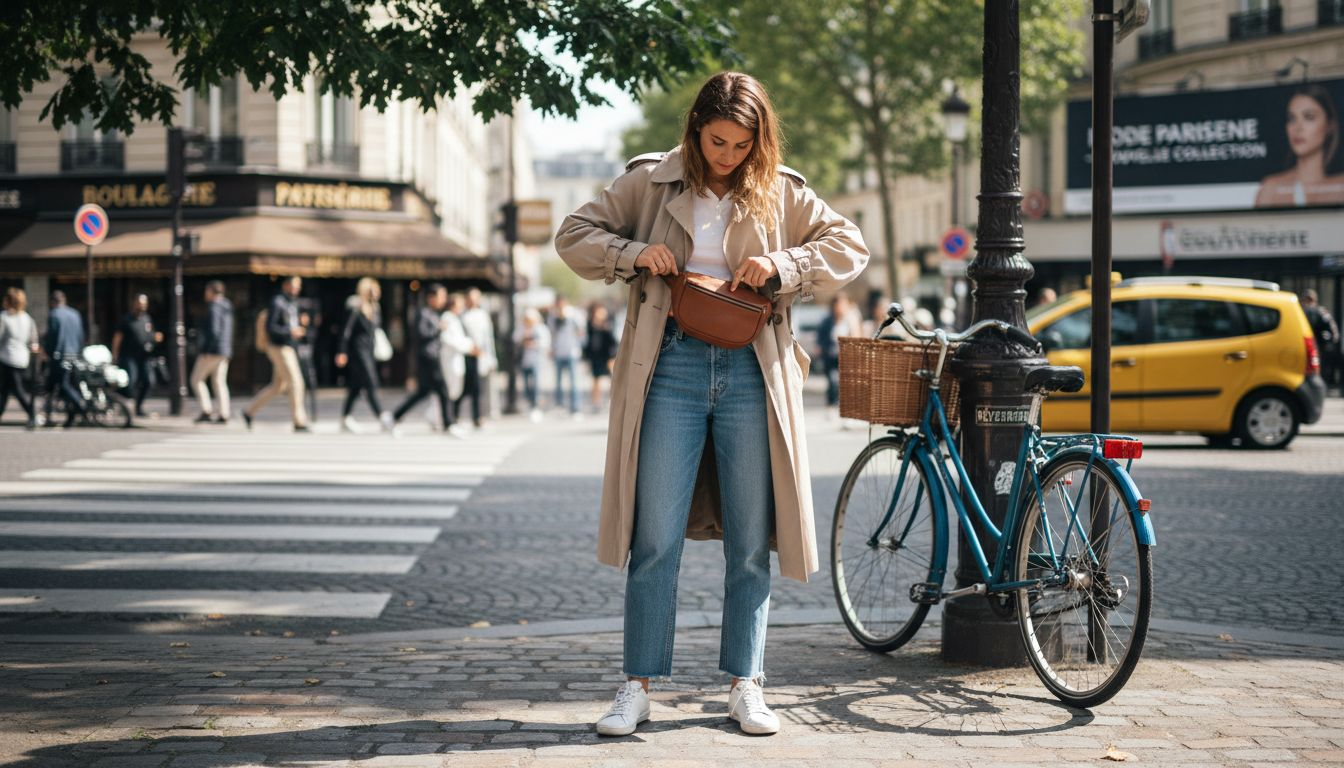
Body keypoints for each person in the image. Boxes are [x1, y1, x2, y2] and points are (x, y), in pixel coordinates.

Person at [555, 71, 868, 737]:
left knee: (751, 541)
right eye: (718, 140)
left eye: (742, 145)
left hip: (754, 370)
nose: (728, 156)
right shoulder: (652, 181)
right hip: (668, 365)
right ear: (696, 128)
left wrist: (784, 265)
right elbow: (574, 234)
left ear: (760, 141)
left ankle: (745, 683)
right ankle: (635, 685)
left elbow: (850, 246)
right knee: (655, 535)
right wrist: (636, 253)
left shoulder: (783, 190)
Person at [392, 283, 463, 437]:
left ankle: (395, 416)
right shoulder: (423, 313)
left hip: (432, 356)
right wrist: (438, 328)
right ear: (431, 298)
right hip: (428, 357)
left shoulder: (433, 314)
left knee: (423, 392)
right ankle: (448, 423)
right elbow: (420, 334)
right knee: (443, 390)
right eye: (441, 296)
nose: (443, 300)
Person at [1255, 85, 1344, 207]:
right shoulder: (1271, 188)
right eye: (1292, 119)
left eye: (1309, 117)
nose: (1298, 128)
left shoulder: (1340, 186)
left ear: (1330, 125)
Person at [242, 276, 310, 432]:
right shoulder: (277, 301)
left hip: (289, 347)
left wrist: (300, 324)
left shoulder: (292, 303)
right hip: (279, 347)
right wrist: (290, 331)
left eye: (299, 286)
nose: (297, 288)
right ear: (286, 285)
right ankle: (299, 421)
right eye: (295, 285)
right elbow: (271, 328)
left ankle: (248, 411)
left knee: (278, 386)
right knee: (296, 382)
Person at [335, 277, 393, 433]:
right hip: (357, 351)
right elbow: (346, 331)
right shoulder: (355, 306)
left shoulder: (375, 308)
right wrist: (342, 351)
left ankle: (345, 417)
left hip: (369, 350)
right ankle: (382, 416)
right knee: (371, 382)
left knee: (356, 386)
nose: (376, 292)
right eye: (372, 289)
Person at [111, 294, 163, 417]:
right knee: (130, 382)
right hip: (129, 356)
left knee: (148, 381)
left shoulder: (147, 318)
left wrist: (155, 338)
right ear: (134, 303)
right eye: (140, 303)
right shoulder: (126, 319)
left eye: (145, 304)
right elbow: (118, 338)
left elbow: (150, 334)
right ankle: (120, 403)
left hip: (144, 356)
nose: (142, 306)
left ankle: (138, 407)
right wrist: (115, 355)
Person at [190, 281, 233, 424]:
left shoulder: (214, 307)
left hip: (212, 351)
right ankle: (224, 413)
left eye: (206, 291)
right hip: (224, 350)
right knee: (219, 382)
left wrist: (206, 349)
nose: (205, 295)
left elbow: (214, 331)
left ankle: (206, 410)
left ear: (211, 292)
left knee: (196, 379)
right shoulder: (227, 306)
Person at [42, 290, 86, 427]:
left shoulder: (54, 314)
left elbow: (52, 338)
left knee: (63, 385)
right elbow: (80, 336)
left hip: (60, 355)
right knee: (67, 384)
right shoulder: (75, 314)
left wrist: (47, 353)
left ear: (52, 302)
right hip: (73, 354)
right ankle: (70, 415)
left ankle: (80, 404)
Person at [0, 287, 40, 428]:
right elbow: (33, 340)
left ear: (8, 301)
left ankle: (33, 414)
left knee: (16, 389)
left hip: (6, 358)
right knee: (4, 390)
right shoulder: (27, 318)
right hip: (22, 359)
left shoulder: (4, 317)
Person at [456, 287, 496, 429]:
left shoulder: (482, 315)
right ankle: (455, 414)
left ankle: (478, 416)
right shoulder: (461, 315)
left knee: (480, 388)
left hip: (481, 355)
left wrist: (491, 356)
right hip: (467, 354)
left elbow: (488, 338)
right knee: (466, 387)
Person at [815, 293, 859, 409]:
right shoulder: (827, 321)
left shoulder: (850, 320)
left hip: (846, 357)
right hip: (830, 356)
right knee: (833, 380)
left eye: (843, 304)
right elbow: (821, 337)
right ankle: (832, 403)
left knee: (845, 382)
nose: (840, 307)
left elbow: (856, 336)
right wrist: (821, 348)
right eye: (838, 304)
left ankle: (842, 403)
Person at [549, 295, 586, 417]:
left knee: (574, 381)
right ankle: (559, 404)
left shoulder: (574, 314)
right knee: (558, 381)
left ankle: (575, 407)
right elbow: (552, 333)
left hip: (572, 352)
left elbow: (581, 331)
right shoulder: (553, 317)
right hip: (559, 351)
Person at [515, 307, 550, 422]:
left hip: (537, 360)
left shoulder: (540, 329)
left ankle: (536, 407)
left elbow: (546, 343)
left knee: (536, 385)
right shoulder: (522, 328)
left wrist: (533, 343)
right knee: (526, 385)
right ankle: (529, 404)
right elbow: (515, 338)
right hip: (524, 361)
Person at [1302, 289, 1340, 388]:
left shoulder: (1316, 311)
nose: (1308, 302)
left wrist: (1328, 342)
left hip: (1316, 347)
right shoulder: (1309, 311)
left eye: (1309, 299)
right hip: (1314, 347)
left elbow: (1332, 330)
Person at [585, 303, 618, 413]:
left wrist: (604, 327)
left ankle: (612, 401)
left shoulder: (609, 324)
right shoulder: (590, 324)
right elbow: (588, 340)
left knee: (612, 379)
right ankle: (596, 402)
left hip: (608, 355)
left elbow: (613, 341)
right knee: (596, 380)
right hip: (596, 356)